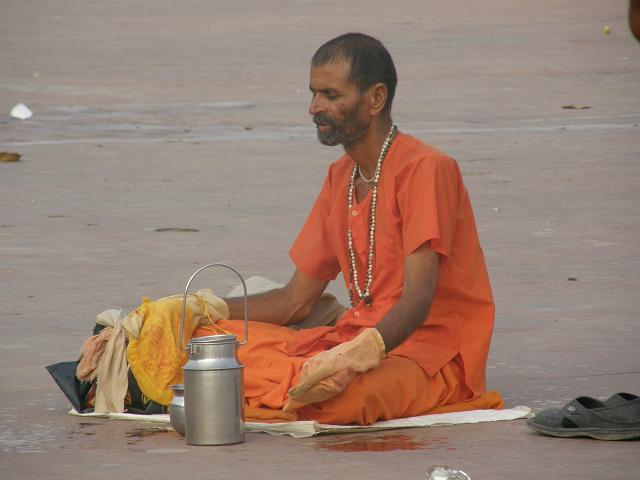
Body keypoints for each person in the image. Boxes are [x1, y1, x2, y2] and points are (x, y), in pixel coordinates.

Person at [188, 33, 503, 425]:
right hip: (350, 337)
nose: (314, 108)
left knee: (339, 400)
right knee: (205, 345)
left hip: (428, 354)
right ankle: (269, 382)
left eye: (331, 96)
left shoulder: (426, 169)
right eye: (313, 94)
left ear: (375, 99)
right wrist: (201, 310)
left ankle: (254, 390)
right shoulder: (340, 177)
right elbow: (295, 301)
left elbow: (418, 299)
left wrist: (363, 351)